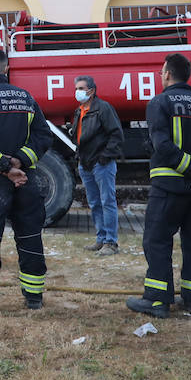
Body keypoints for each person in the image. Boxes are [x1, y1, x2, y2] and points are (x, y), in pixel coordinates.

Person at [126, 52, 191, 318]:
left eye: (162, 71)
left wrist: (189, 168)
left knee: (157, 241)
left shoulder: (160, 102)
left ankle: (157, 300)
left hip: (169, 189)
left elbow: (162, 145)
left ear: (167, 74)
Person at [0, 48, 55, 313]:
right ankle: (34, 297)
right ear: (6, 69)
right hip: (26, 179)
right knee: (29, 235)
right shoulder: (26, 98)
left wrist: (4, 167)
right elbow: (44, 136)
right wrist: (19, 162)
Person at [67, 75, 124, 255]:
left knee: (107, 201)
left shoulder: (103, 108)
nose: (78, 92)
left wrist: (105, 157)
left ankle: (111, 243)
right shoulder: (80, 110)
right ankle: (101, 239)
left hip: (101, 163)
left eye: (81, 88)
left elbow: (116, 134)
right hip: (86, 163)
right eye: (76, 88)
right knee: (95, 202)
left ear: (91, 91)